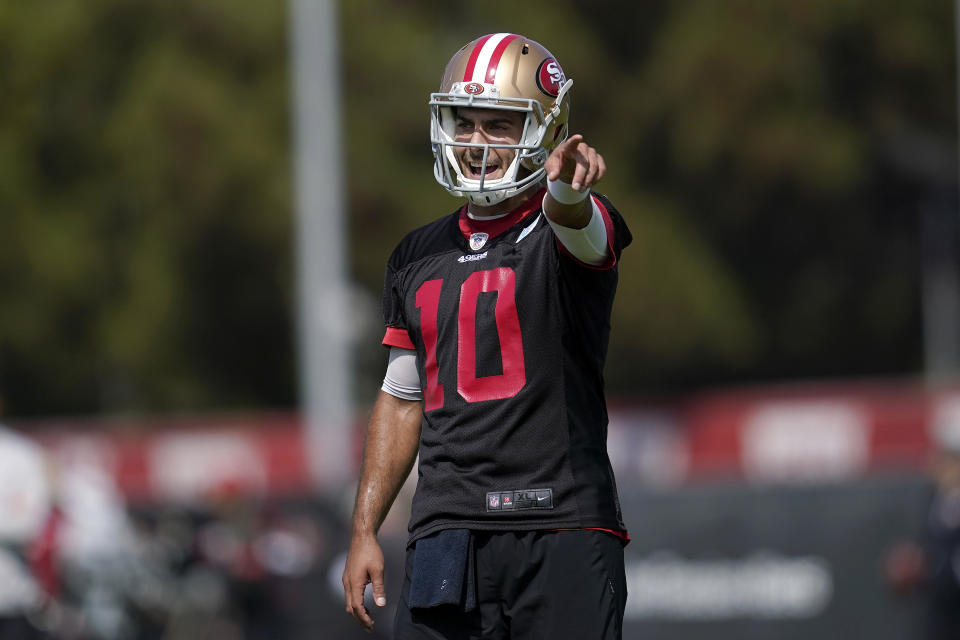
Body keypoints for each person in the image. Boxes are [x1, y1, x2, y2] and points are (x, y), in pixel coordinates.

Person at [343, 32, 632, 639]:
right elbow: (401, 398)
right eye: (463, 122)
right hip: (447, 525)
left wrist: (569, 195)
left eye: (499, 126)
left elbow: (582, 226)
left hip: (560, 521)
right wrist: (366, 526)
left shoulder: (565, 224)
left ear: (544, 132)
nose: (476, 143)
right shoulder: (416, 254)